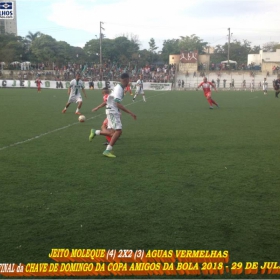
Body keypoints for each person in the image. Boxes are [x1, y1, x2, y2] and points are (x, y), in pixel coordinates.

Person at [89, 73, 137, 158]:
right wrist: (130, 113)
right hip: (113, 111)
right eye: (129, 80)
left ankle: (95, 132)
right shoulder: (119, 89)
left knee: (114, 132)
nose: (129, 81)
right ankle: (107, 150)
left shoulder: (119, 87)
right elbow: (117, 103)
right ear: (126, 80)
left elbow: (109, 100)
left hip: (111, 110)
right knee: (118, 131)